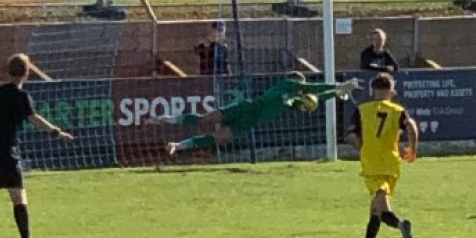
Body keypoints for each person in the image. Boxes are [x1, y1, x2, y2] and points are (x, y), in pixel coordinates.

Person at [0, 53, 74, 238]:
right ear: (27, 73)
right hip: (6, 149)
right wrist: (57, 132)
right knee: (18, 195)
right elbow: (33, 118)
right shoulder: (21, 96)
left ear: (8, 71)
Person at [155, 72, 361, 155]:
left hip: (251, 121)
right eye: (301, 84)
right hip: (247, 107)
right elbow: (314, 87)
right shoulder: (286, 84)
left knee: (218, 138)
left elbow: (316, 99)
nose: (302, 88)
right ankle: (168, 118)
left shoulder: (292, 100)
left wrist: (336, 93)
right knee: (204, 120)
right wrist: (336, 84)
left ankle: (177, 146)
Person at [347, 73, 419, 238]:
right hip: (392, 163)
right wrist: (413, 149)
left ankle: (401, 225)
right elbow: (411, 126)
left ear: (373, 90)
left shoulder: (361, 109)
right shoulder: (397, 110)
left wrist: (362, 148)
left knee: (382, 210)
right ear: (390, 91)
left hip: (372, 165)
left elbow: (352, 136)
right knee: (376, 210)